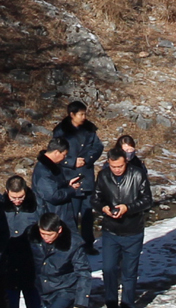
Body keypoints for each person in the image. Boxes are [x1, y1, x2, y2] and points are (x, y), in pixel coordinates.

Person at [94, 149, 152, 308]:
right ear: (108, 163)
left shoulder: (138, 174)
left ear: (125, 162)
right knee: (108, 269)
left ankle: (127, 303)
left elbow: (147, 200)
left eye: (120, 166)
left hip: (132, 231)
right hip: (110, 230)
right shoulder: (103, 175)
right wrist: (103, 208)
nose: (117, 170)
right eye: (113, 166)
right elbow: (95, 198)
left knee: (129, 272)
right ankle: (111, 302)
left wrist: (128, 208)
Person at [52, 101, 101, 255]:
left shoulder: (89, 129)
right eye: (81, 114)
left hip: (86, 175)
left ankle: (88, 244)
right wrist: (71, 161)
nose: (84, 117)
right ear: (72, 115)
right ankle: (71, 245)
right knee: (70, 215)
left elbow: (98, 147)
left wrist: (87, 159)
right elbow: (55, 152)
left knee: (87, 214)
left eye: (85, 114)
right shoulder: (61, 131)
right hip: (69, 177)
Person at [0, 176, 42, 308]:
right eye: (13, 198)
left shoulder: (37, 205)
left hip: (31, 260)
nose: (17, 201)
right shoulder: (0, 206)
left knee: (34, 299)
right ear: (7, 192)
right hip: (8, 261)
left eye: (20, 197)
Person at [29, 213, 86, 308]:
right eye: (42, 234)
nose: (45, 237)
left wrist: (80, 302)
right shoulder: (33, 237)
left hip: (65, 288)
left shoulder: (73, 244)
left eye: (50, 235)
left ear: (59, 230)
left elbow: (83, 272)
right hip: (41, 288)